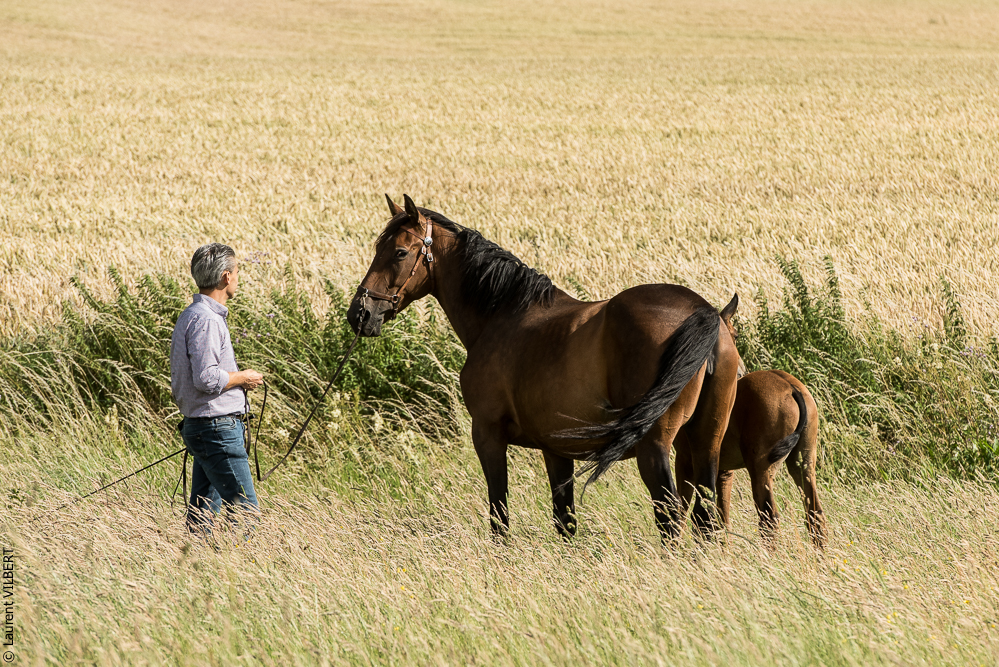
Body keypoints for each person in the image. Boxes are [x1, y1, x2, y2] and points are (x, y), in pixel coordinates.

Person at [170, 243, 264, 536]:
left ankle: (196, 569)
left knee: (202, 515)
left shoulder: (193, 314)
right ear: (226, 277)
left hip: (206, 428)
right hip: (216, 430)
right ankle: (245, 570)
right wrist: (242, 378)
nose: (237, 277)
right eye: (236, 272)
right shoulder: (207, 320)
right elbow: (207, 379)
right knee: (246, 513)